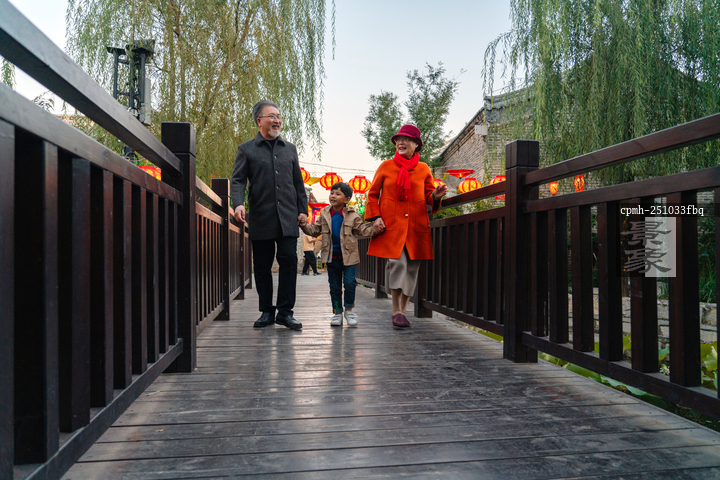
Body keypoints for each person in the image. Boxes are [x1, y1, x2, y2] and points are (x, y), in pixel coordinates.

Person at [231, 100, 307, 331]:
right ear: (259, 121)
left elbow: (298, 183)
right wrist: (238, 204)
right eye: (272, 116)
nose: (277, 120)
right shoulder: (247, 149)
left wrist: (302, 210)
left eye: (279, 116)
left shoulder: (290, 149)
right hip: (261, 217)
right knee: (262, 265)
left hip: (288, 217)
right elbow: (238, 180)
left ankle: (285, 312)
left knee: (289, 261)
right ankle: (266, 311)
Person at [365, 125, 448, 328]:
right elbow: (373, 194)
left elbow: (429, 196)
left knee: (411, 268)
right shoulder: (386, 166)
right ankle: (396, 310)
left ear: (416, 144)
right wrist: (375, 217)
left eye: (407, 139)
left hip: (416, 226)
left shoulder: (423, 169)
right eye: (398, 139)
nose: (401, 142)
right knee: (397, 264)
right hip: (392, 226)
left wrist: (436, 196)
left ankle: (403, 310)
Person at [301, 182, 381, 327]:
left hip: (349, 257)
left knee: (350, 284)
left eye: (338, 194)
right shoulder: (324, 214)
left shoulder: (353, 215)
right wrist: (303, 225)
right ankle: (337, 313)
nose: (333, 196)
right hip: (331, 257)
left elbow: (363, 230)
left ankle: (349, 311)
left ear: (347, 199)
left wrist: (375, 229)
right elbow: (315, 230)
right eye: (332, 193)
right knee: (335, 286)